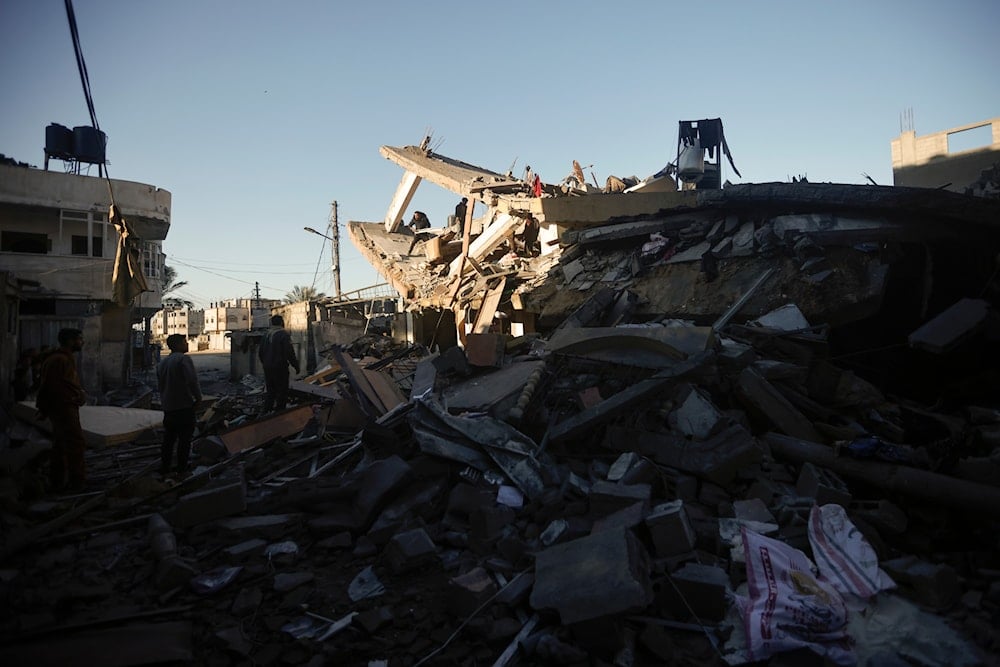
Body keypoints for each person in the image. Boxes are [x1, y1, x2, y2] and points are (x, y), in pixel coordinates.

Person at [35, 328, 87, 493]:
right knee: (74, 444)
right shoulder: (59, 360)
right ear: (70, 341)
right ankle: (76, 483)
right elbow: (50, 387)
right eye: (79, 339)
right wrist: (75, 397)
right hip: (63, 408)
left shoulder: (62, 358)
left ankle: (58, 482)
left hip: (64, 407)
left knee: (60, 445)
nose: (81, 342)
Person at [157, 334, 202, 476]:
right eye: (184, 342)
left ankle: (165, 467)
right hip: (183, 407)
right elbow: (192, 381)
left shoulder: (163, 363)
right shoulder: (183, 359)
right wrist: (198, 398)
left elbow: (160, 385)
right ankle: (182, 469)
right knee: (184, 440)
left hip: (168, 408)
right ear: (177, 345)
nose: (187, 344)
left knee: (168, 440)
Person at [258, 315, 299, 412]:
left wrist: (266, 364)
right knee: (282, 391)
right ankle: (280, 413)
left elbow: (260, 353)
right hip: (280, 367)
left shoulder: (266, 335)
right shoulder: (283, 334)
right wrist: (296, 366)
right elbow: (289, 352)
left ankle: (267, 411)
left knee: (270, 391)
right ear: (281, 322)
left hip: (268, 367)